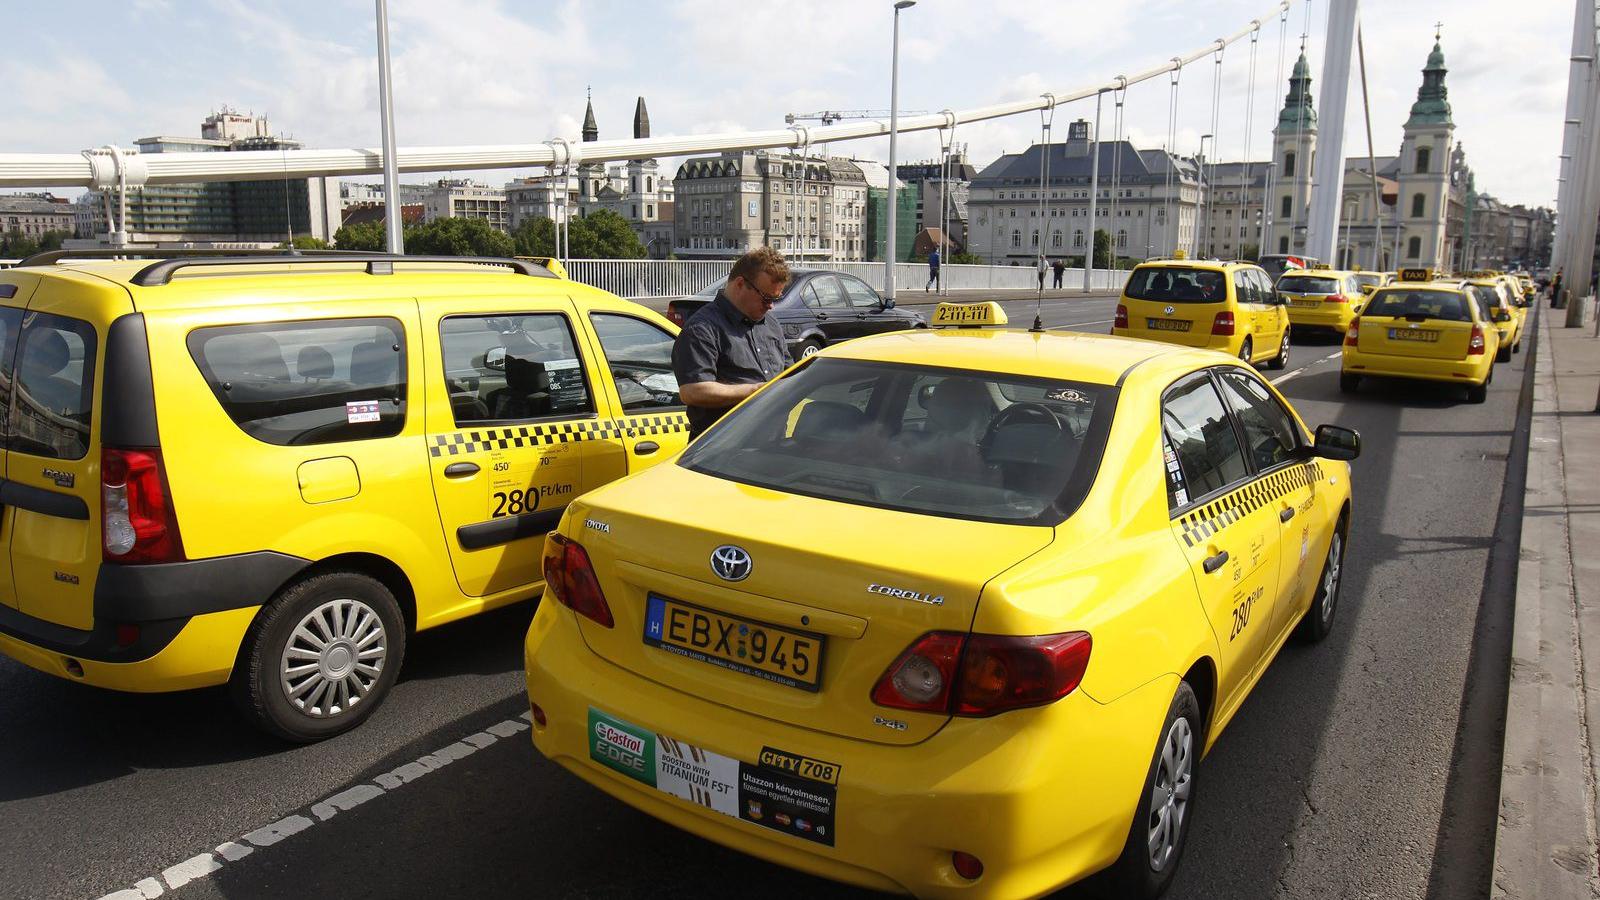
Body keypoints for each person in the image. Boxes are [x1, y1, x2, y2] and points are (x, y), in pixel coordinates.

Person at [672, 246, 793, 440]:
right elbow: (692, 391)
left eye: (775, 299)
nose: (770, 306)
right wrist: (755, 391)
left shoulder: (770, 323)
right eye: (766, 298)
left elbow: (788, 373)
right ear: (740, 284)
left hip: (772, 443)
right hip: (720, 452)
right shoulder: (703, 328)